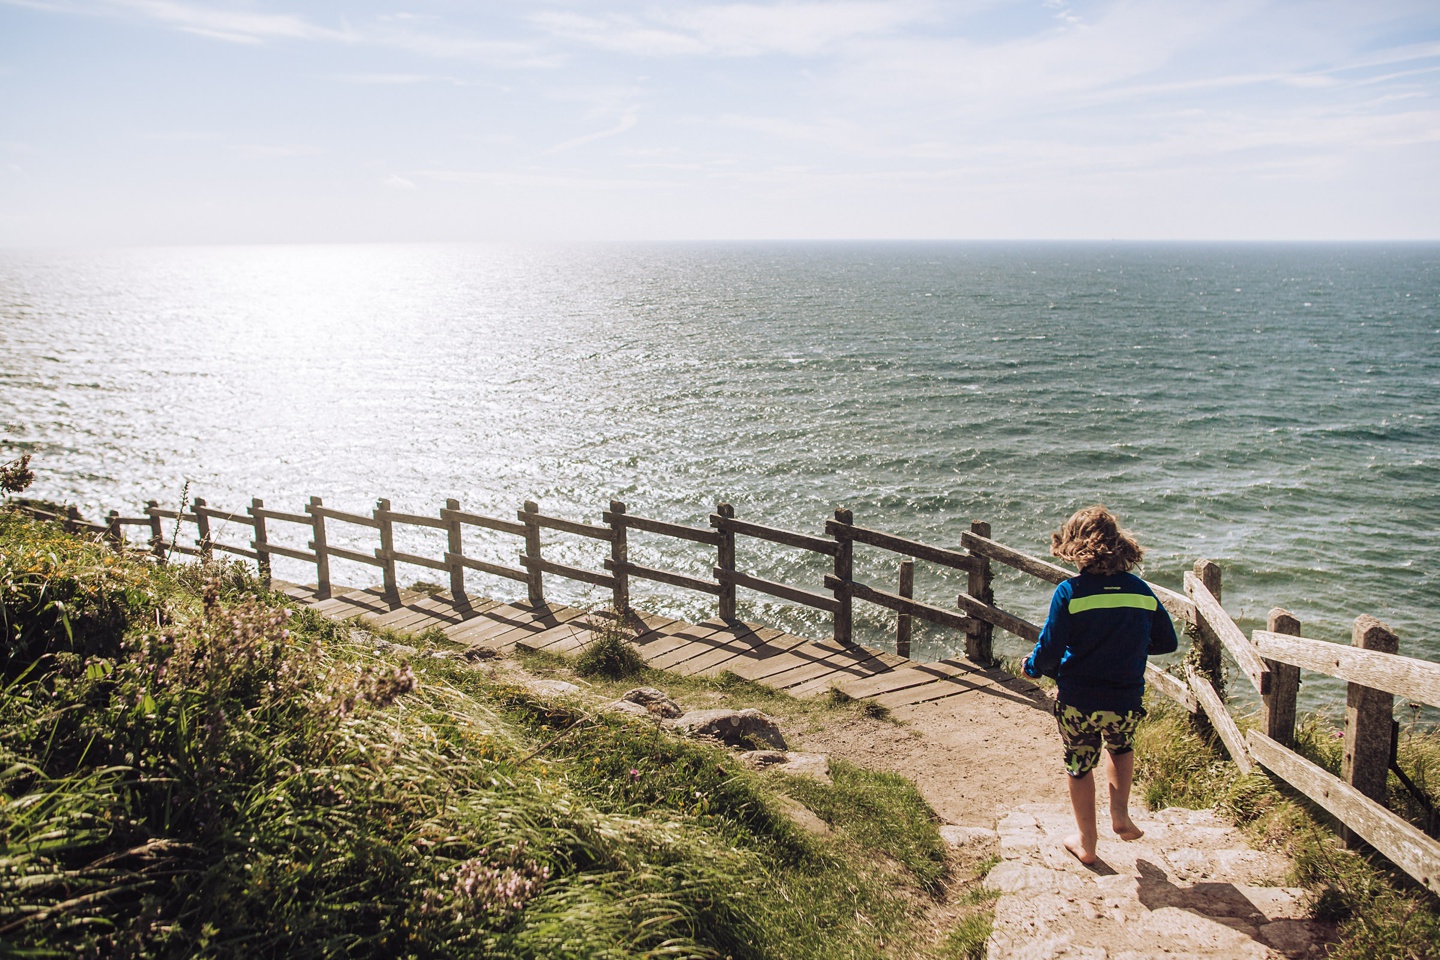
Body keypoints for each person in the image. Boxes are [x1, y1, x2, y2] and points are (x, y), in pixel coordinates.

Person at [1023, 505, 1178, 864]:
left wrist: (1031, 668)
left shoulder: (1070, 593)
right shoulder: (1141, 591)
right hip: (1124, 697)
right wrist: (1127, 647)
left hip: (1078, 698)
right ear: (1119, 546)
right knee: (1121, 748)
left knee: (1079, 763)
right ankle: (1121, 815)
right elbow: (1167, 642)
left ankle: (1086, 842)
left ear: (1075, 548)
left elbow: (1049, 651)